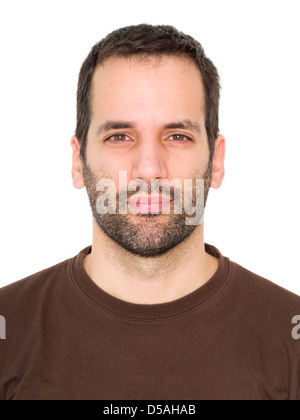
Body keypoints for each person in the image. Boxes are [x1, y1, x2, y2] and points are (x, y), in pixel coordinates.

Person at [0, 24, 299, 401]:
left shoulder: (290, 340)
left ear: (217, 161)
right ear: (78, 162)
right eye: (120, 136)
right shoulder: (8, 329)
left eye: (177, 136)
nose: (148, 168)